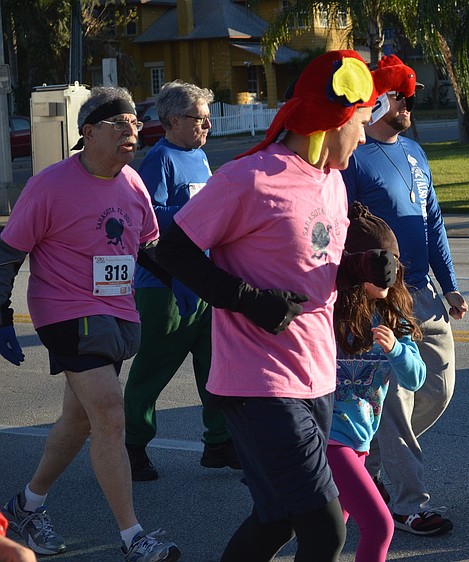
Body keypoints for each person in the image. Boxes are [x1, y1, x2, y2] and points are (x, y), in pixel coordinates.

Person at [154, 50, 397, 561]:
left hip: (317, 375)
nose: (364, 131)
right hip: (257, 384)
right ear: (335, 118)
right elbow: (171, 248)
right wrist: (246, 300)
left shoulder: (331, 181)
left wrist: (360, 269)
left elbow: (314, 266)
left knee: (277, 520)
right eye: (361, 119)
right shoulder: (250, 178)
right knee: (326, 531)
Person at [0, 86, 181, 560]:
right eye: (118, 123)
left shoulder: (132, 183)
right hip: (65, 310)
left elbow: (151, 247)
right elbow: (7, 253)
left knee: (79, 418)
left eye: (135, 124)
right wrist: (1, 314)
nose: (131, 131)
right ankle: (133, 537)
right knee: (108, 412)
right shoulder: (50, 184)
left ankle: (27, 504)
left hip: (117, 314)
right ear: (87, 132)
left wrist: (193, 288)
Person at [342, 54, 469, 536]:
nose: (409, 103)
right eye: (400, 96)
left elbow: (432, 221)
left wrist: (450, 283)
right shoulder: (354, 156)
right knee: (395, 403)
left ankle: (372, 458)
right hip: (384, 296)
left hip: (426, 292)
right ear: (377, 101)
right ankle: (408, 502)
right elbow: (344, 227)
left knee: (438, 386)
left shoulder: (415, 151)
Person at [123, 80, 239, 482]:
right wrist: (196, 208)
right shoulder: (160, 159)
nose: (207, 127)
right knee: (153, 370)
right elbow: (147, 220)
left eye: (208, 119)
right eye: (200, 119)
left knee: (215, 367)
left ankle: (219, 443)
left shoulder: (200, 158)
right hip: (166, 286)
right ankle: (132, 447)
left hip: (204, 282)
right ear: (174, 120)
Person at [329, 202, 426, 562]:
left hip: (360, 440)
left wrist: (398, 350)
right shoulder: (330, 313)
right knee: (380, 526)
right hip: (328, 438)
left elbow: (415, 379)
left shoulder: (392, 315)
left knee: (332, 531)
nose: (388, 277)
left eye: (393, 268)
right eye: (379, 270)